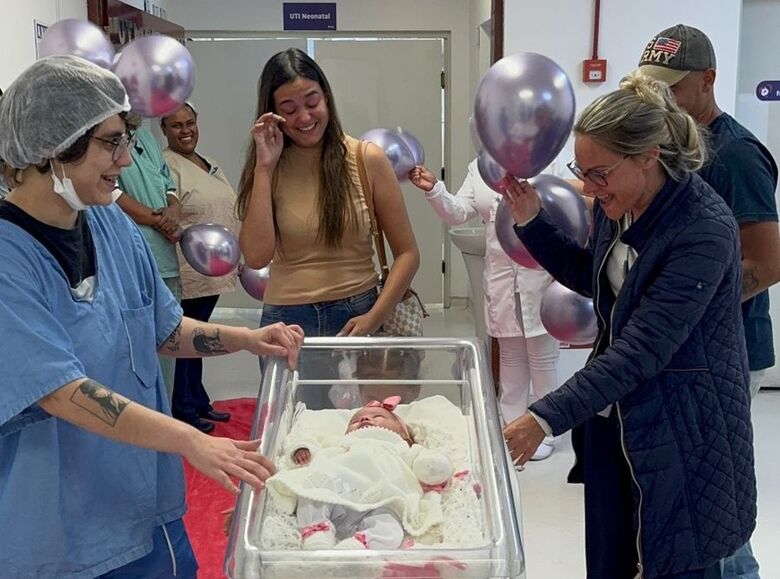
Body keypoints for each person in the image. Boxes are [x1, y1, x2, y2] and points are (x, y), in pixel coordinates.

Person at [0, 55, 304, 578]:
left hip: (146, 508)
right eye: (110, 143)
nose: (124, 160)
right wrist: (192, 439)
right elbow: (59, 389)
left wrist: (247, 338)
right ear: (53, 146)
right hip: (65, 532)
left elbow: (162, 329)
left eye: (127, 141)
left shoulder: (109, 226)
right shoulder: (10, 258)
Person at [501, 72, 755, 578]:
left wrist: (545, 416)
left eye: (600, 174)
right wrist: (532, 221)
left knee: (675, 556)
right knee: (615, 555)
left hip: (684, 428)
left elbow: (641, 348)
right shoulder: (620, 207)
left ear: (648, 156)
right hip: (619, 419)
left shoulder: (703, 229)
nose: (589, 187)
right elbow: (598, 281)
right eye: (582, 171)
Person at [637, 24, 780, 578]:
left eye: (672, 87)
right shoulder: (667, 147)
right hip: (685, 350)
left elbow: (767, 263)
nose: (661, 99)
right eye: (653, 86)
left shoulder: (737, 155)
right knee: (696, 494)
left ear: (708, 80)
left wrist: (689, 306)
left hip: (731, 350)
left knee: (714, 493)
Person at [236, 48, 420, 341]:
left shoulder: (366, 158)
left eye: (312, 102)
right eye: (289, 108)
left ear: (327, 98)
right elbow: (256, 257)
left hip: (358, 311)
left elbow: (408, 254)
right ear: (272, 113)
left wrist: (374, 318)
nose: (305, 117)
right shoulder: (266, 166)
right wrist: (263, 168)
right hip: (287, 320)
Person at [409, 161, 561, 460]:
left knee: (542, 357)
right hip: (502, 277)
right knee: (510, 355)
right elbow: (458, 212)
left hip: (540, 273)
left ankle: (547, 429)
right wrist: (435, 190)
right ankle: (513, 426)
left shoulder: (546, 160)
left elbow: (567, 211)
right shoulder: (479, 168)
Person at [266, 395, 453, 550]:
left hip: (382, 497)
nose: (364, 419)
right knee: (311, 493)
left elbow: (428, 464)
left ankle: (357, 547)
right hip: (336, 487)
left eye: (379, 417)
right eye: (355, 420)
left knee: (390, 527)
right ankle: (317, 535)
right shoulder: (340, 441)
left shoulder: (401, 446)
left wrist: (432, 466)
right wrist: (302, 451)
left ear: (405, 433)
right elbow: (316, 446)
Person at [161, 102, 241, 434]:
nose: (185, 130)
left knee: (198, 338)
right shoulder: (167, 165)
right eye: (176, 125)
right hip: (190, 272)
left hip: (215, 273)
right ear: (164, 129)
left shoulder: (209, 163)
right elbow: (171, 210)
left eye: (190, 122)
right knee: (190, 340)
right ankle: (184, 407)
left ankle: (197, 398)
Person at [116, 124, 183, 396]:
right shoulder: (105, 138)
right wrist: (158, 220)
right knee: (138, 360)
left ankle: (166, 423)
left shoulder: (145, 136)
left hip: (166, 260)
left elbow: (168, 184)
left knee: (169, 354)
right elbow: (113, 195)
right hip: (134, 261)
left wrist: (173, 210)